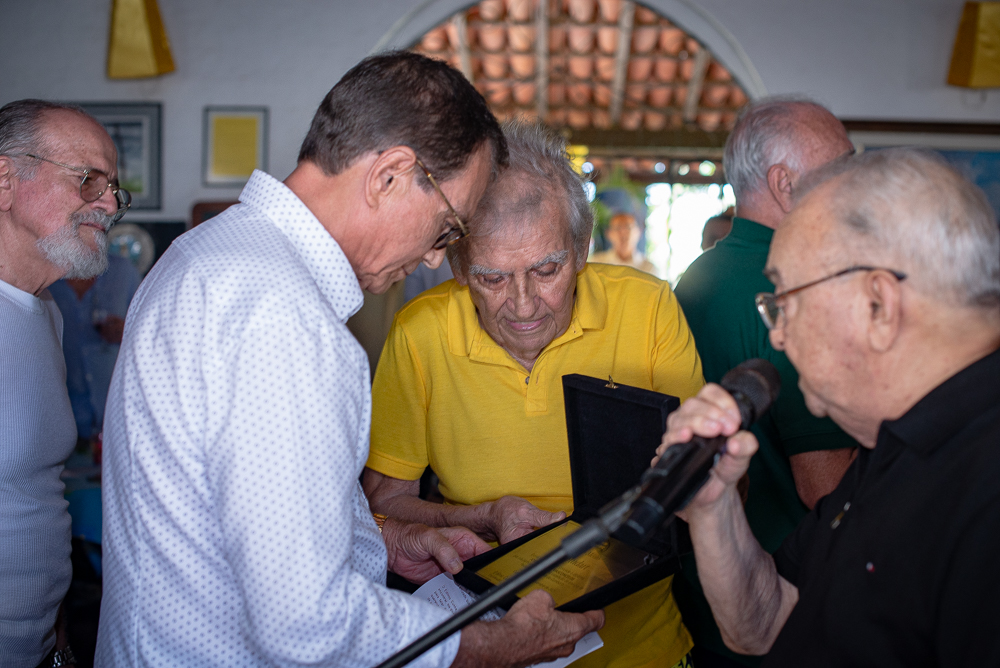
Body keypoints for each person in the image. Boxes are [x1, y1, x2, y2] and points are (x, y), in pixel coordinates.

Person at [95, 53, 602, 668]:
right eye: (447, 227)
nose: (438, 260)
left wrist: (383, 540)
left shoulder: (210, 253)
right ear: (389, 175)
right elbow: (306, 624)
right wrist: (497, 646)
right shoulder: (284, 316)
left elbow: (237, 510)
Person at [364, 121, 704, 668]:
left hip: (643, 650)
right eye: (492, 279)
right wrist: (484, 517)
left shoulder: (649, 310)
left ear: (581, 249)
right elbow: (382, 507)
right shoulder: (420, 333)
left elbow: (705, 480)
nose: (523, 306)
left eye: (547, 270)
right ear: (456, 268)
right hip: (495, 651)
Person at [659, 147, 1000, 665]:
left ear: (878, 306)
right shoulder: (890, 445)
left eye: (784, 300)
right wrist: (714, 507)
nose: (778, 333)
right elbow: (768, 621)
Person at [671, 99, 859, 667]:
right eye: (843, 167)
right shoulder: (792, 288)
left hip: (707, 591)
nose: (853, 185)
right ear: (784, 183)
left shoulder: (699, 274)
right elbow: (823, 486)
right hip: (782, 600)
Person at [0, 98, 129, 668]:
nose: (109, 203)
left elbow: (35, 500)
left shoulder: (43, 311)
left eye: (113, 188)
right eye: (88, 180)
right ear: (5, 179)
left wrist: (57, 637)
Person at [49, 254, 141, 445]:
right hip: (60, 425)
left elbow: (152, 332)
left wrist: (130, 332)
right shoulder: (46, 276)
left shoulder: (122, 270)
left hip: (119, 421)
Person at [590, 211, 656, 275]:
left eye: (628, 227)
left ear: (639, 232)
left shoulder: (649, 269)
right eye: (618, 228)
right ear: (608, 233)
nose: (623, 232)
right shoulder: (596, 264)